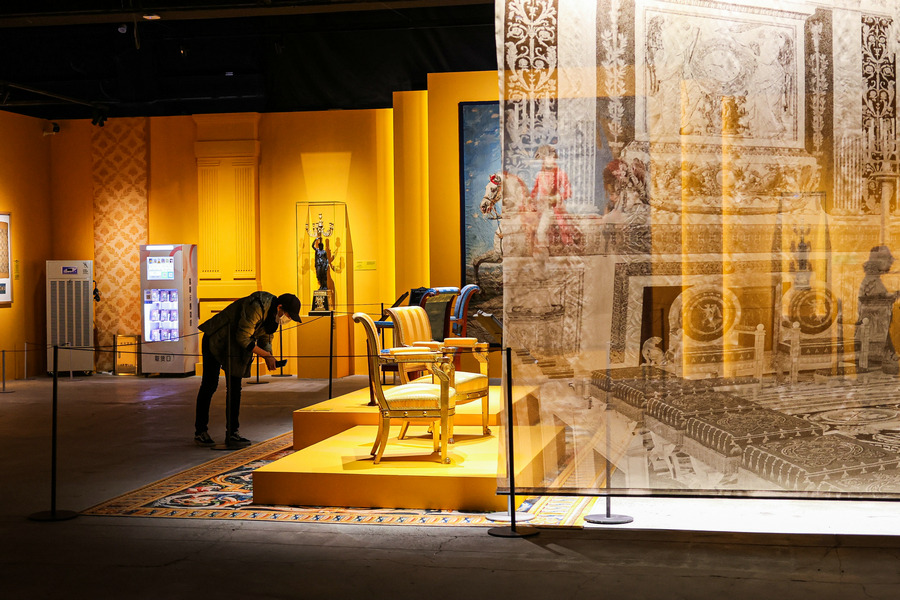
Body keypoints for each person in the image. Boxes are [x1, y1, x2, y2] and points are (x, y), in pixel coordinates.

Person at [194, 292, 303, 448]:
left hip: (233, 346)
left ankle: (233, 433)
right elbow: (243, 337)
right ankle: (200, 431)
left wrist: (269, 355)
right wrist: (266, 356)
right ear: (280, 307)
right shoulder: (257, 306)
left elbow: (266, 337)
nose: (287, 319)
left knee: (235, 388)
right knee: (209, 385)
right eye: (288, 315)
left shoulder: (272, 317)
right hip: (216, 338)